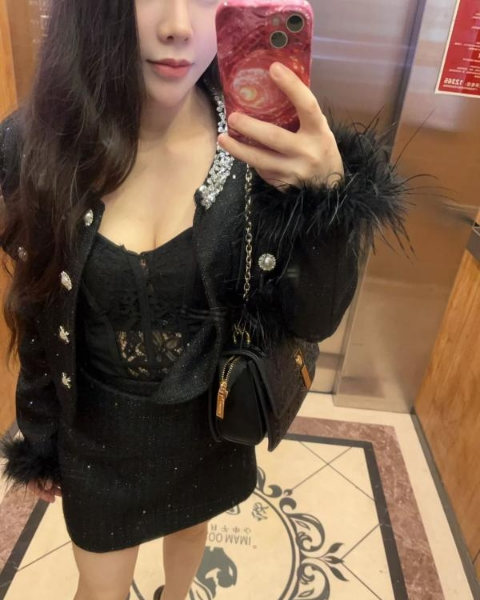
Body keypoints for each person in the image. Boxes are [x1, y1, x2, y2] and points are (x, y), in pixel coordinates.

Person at [0, 1, 415, 599]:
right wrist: (39, 436)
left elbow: (314, 319)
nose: (178, 26)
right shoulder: (37, 142)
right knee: (99, 586)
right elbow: (36, 306)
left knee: (191, 533)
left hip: (208, 428)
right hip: (97, 437)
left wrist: (325, 206)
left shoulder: (265, 149)